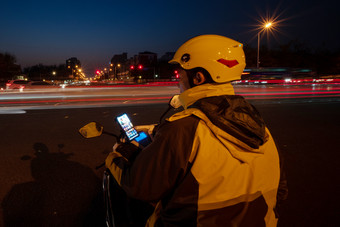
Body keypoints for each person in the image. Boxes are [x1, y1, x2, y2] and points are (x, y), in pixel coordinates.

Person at [106, 34, 287, 227]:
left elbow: (140, 186)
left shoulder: (183, 129)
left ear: (198, 77)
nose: (178, 80)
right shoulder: (261, 128)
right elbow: (281, 191)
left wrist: (115, 155)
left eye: (180, 74)